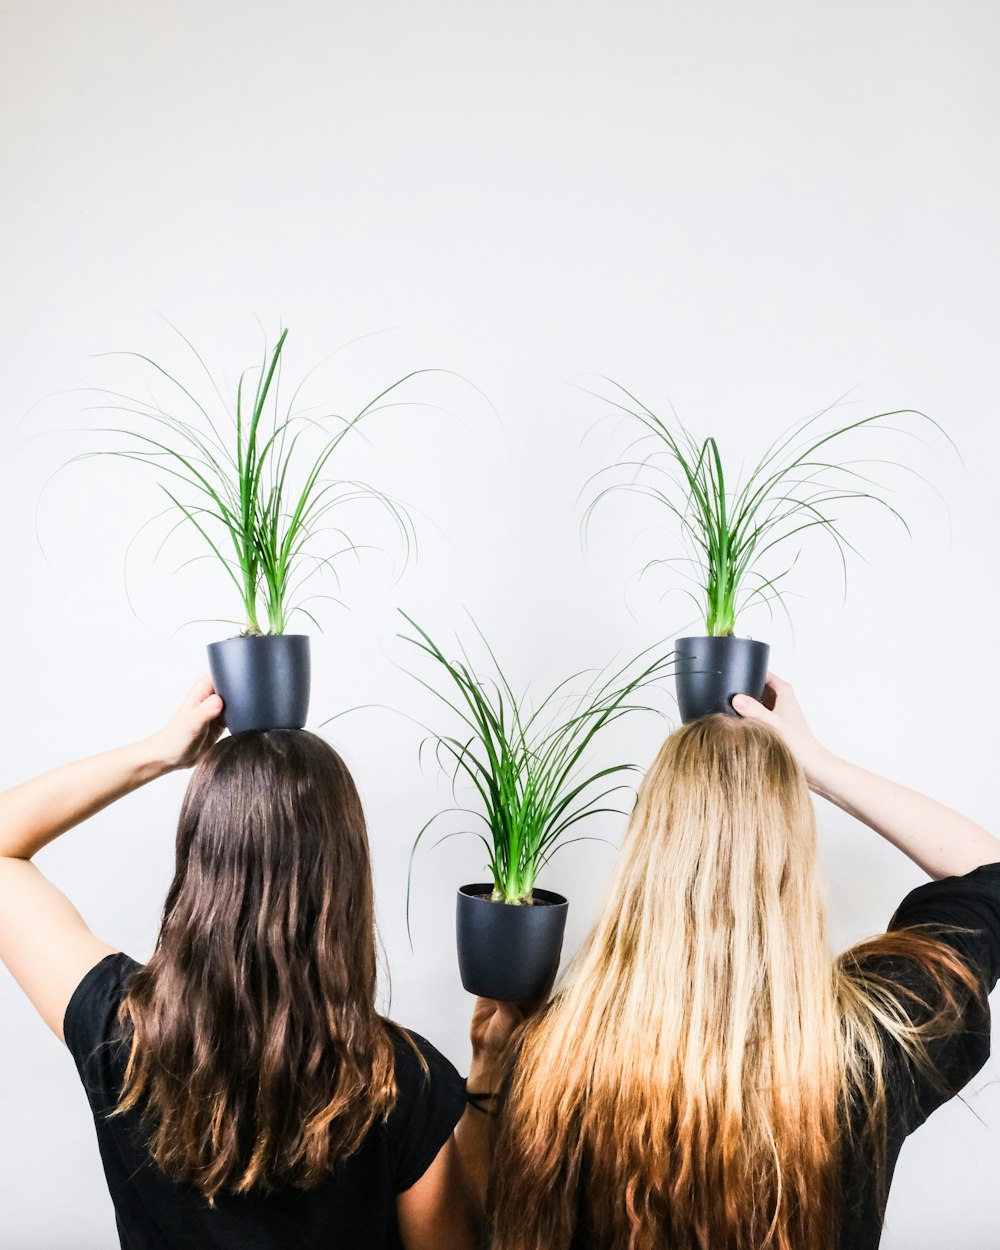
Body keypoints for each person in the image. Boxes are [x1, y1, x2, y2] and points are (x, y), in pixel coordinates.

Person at [481, 674, 1000, 1250]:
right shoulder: (875, 1042)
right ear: (794, 850)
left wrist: (487, 1071)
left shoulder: (555, 1055)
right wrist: (817, 765)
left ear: (647, 846)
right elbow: (990, 874)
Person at [0, 675, 507, 1250]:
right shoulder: (401, 1081)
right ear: (343, 881)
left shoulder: (123, 1036)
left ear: (200, 862)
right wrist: (487, 1080)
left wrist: (159, 754)